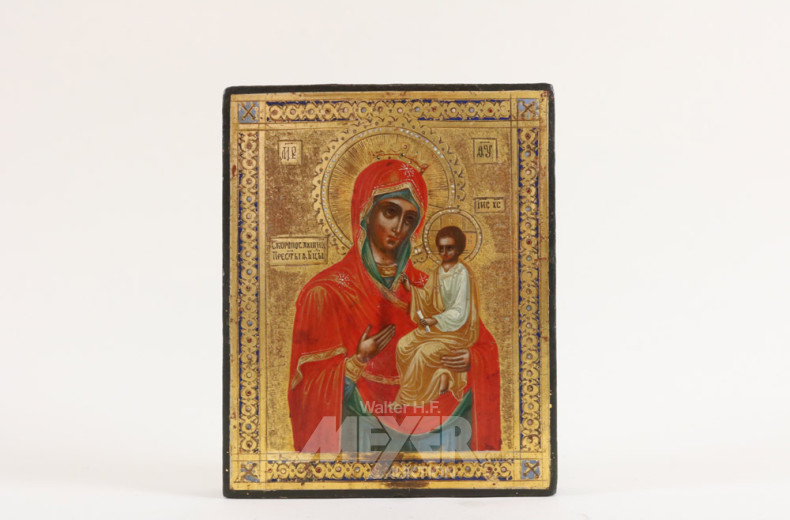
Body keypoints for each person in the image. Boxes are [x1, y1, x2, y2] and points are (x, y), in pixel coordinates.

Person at [288, 159, 501, 454]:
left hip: (435, 424)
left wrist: (470, 360)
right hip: (361, 434)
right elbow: (307, 392)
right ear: (365, 211)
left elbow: (483, 345)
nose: (399, 227)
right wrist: (357, 361)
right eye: (390, 212)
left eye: (410, 219)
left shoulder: (428, 285)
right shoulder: (326, 292)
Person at [393, 226, 481, 408]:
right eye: (441, 248)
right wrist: (411, 289)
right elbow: (427, 298)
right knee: (403, 346)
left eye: (449, 248)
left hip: (456, 331)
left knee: (423, 353)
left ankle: (407, 398)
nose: (444, 253)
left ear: (458, 249)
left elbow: (460, 310)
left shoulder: (462, 273)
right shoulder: (437, 272)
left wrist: (436, 320)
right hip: (436, 328)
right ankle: (430, 381)